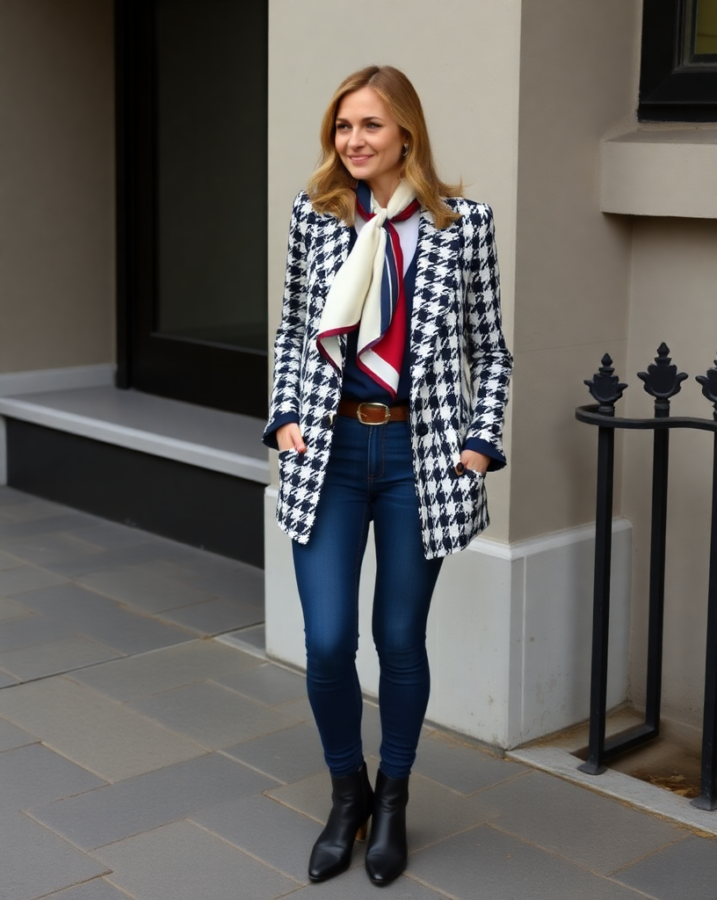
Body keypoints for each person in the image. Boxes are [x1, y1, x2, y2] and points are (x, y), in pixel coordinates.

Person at [263, 64, 512, 887]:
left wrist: (477, 443)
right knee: (328, 642)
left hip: (417, 458)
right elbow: (297, 331)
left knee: (399, 640)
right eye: (342, 127)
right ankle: (347, 795)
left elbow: (491, 348)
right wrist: (287, 417)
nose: (354, 142)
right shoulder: (316, 216)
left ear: (406, 130)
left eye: (369, 126)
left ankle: (394, 800)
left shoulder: (462, 223)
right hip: (329, 453)